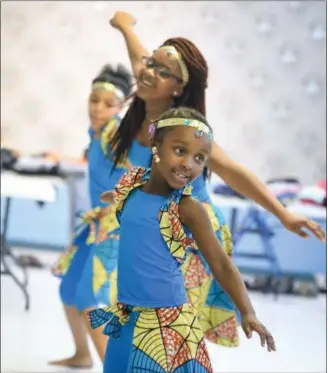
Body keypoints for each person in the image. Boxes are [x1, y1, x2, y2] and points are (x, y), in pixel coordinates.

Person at [100, 10, 325, 347]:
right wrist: (126, 26)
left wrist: (283, 214)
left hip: (189, 231)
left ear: (179, 88)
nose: (149, 72)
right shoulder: (146, 95)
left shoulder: (181, 128)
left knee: (174, 328)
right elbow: (139, 60)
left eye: (164, 72)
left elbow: (235, 172)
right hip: (151, 227)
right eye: (151, 64)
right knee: (141, 320)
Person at [89, 107, 276, 372]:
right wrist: (109, 199)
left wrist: (247, 312)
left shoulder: (188, 208)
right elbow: (120, 197)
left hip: (167, 324)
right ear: (155, 145)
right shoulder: (131, 184)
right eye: (180, 151)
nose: (189, 163)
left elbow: (221, 264)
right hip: (126, 315)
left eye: (200, 158)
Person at [50, 64, 152, 367]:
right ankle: (82, 355)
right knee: (69, 289)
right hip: (94, 223)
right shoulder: (96, 135)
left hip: (115, 227)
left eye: (108, 104)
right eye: (94, 100)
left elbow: (141, 157)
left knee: (89, 298)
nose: (97, 108)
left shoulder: (116, 134)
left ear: (121, 107)